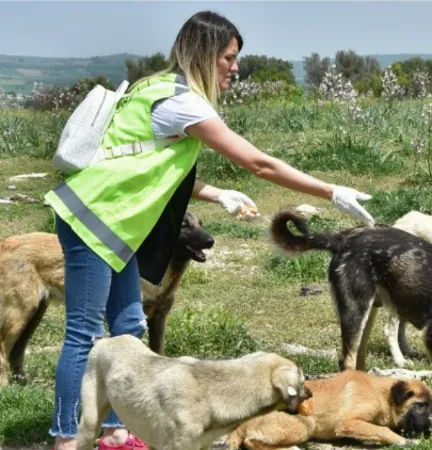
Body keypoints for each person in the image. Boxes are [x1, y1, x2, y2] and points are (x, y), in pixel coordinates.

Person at [43, 11, 374, 450]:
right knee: (85, 333)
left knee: (127, 325)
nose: (235, 67)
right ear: (205, 54)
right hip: (94, 219)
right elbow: (259, 162)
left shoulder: (156, 85)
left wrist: (218, 194)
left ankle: (116, 430)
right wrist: (330, 191)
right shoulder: (182, 101)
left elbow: (144, 163)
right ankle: (66, 435)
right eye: (229, 57)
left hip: (116, 225)